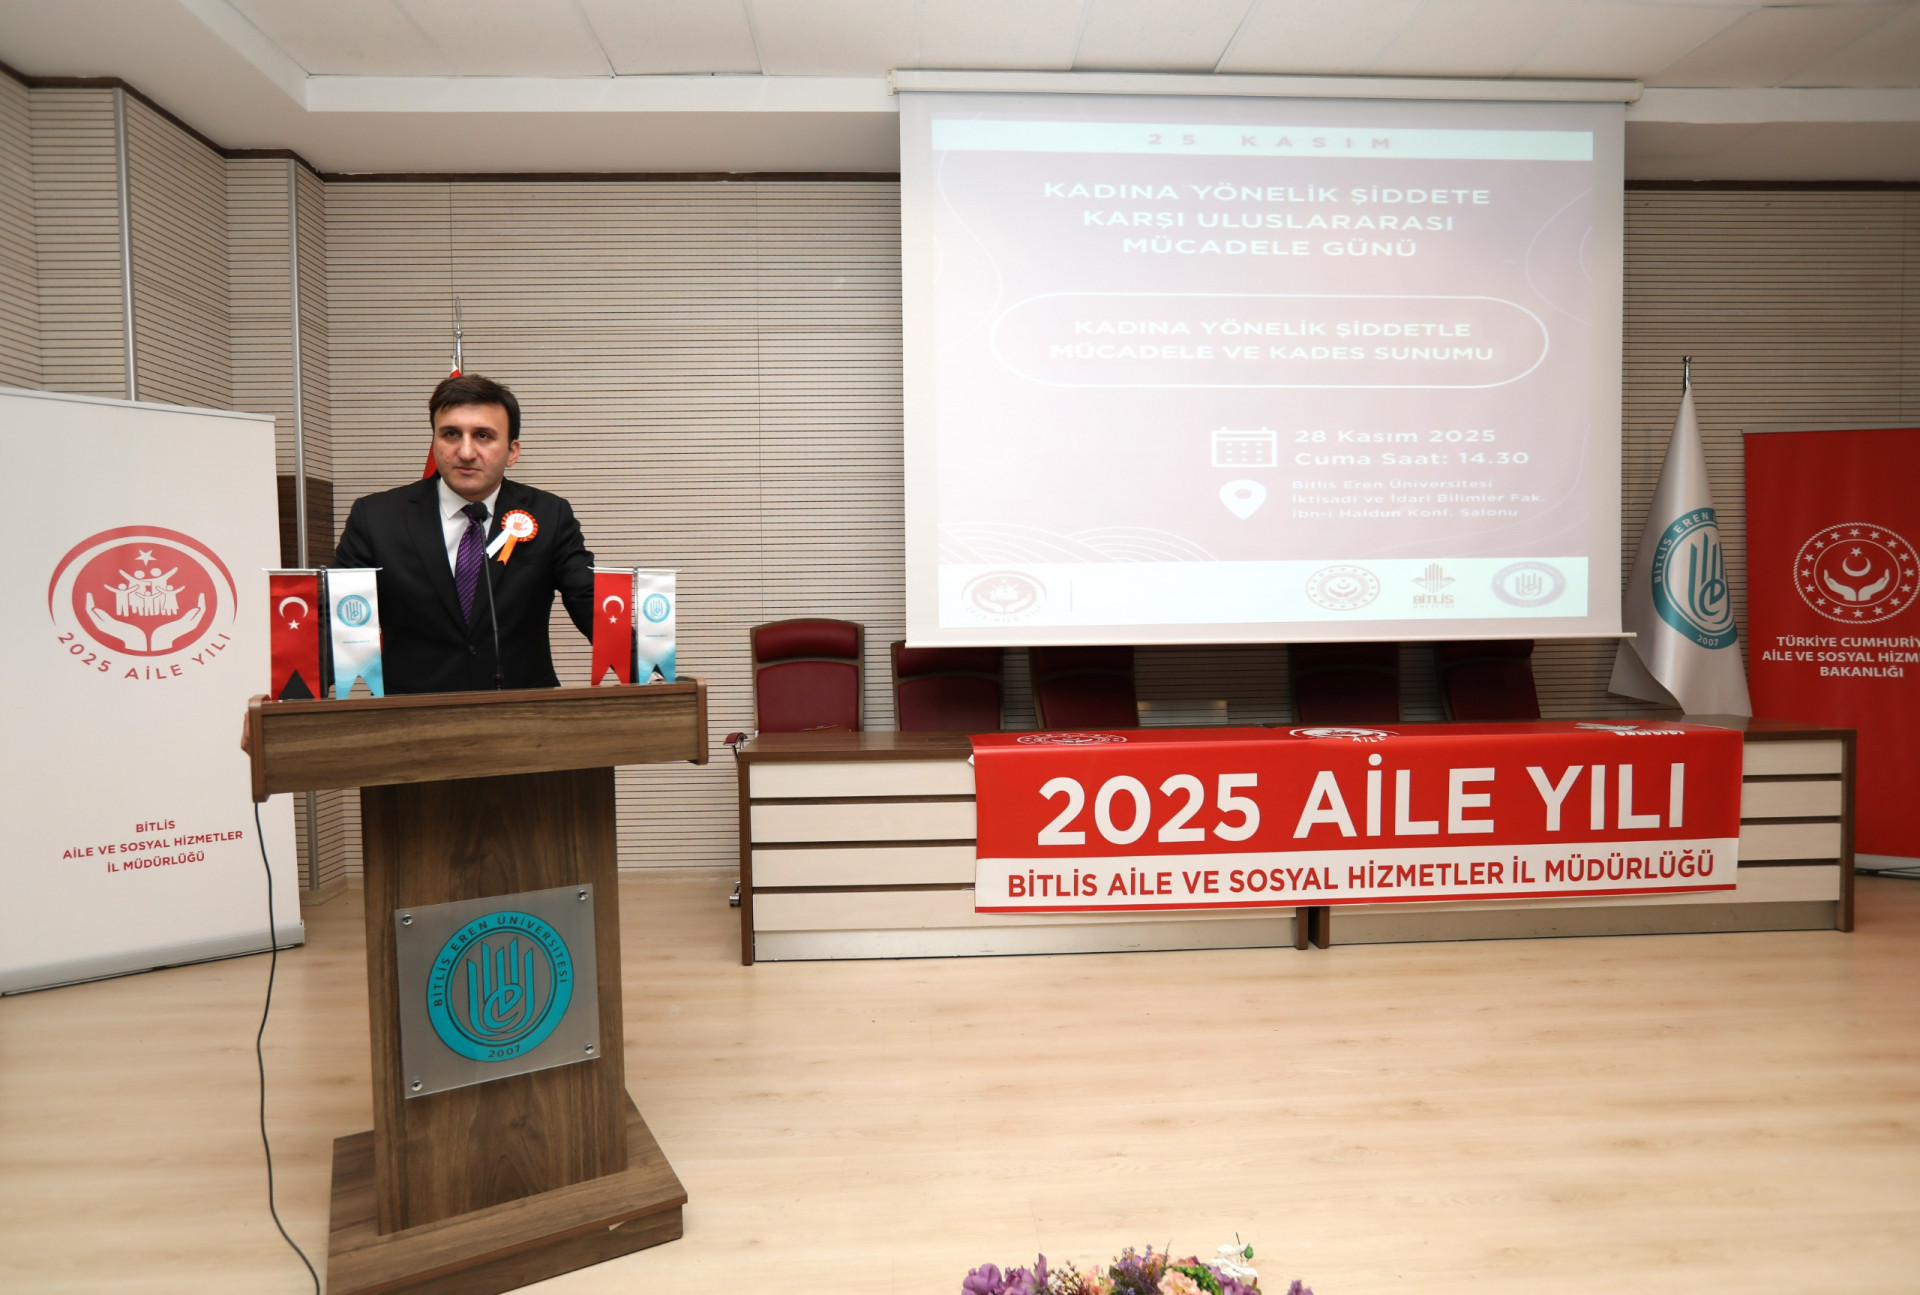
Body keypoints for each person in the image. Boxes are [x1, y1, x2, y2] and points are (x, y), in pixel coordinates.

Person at [331, 374, 596, 693]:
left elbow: (591, 601)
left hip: (522, 709)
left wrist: (642, 668)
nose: (466, 452)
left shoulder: (550, 514)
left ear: (512, 451)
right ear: (434, 442)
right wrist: (293, 697)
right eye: (451, 434)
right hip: (411, 711)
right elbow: (337, 616)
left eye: (483, 435)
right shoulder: (376, 517)